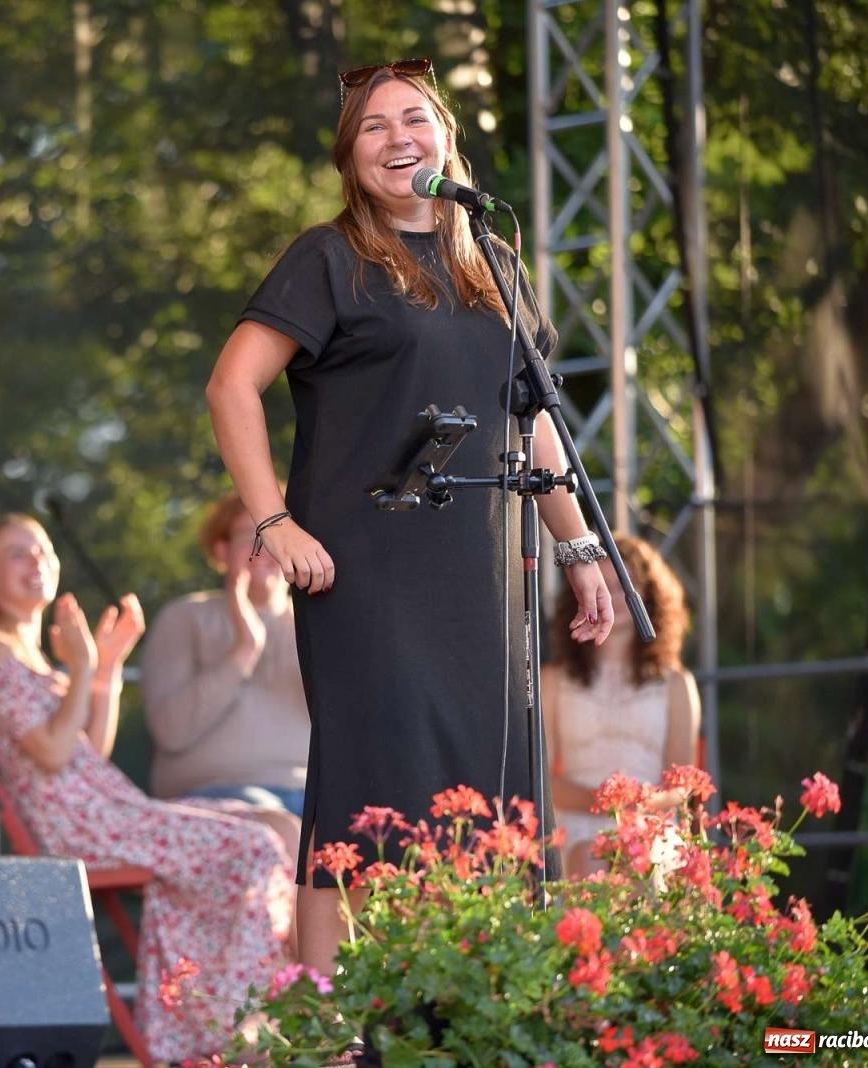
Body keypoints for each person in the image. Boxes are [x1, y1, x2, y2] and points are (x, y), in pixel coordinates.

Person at [204, 59, 616, 982]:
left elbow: (535, 421)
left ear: (445, 138)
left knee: (483, 794)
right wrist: (272, 523)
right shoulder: (329, 257)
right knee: (366, 795)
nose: (400, 139)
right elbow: (232, 386)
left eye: (416, 120)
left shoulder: (496, 267)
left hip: (478, 575)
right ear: (351, 158)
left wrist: (579, 546)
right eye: (376, 127)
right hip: (366, 570)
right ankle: (327, 1022)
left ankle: (461, 1007)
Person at [0, 515, 295, 1063]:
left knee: (279, 827)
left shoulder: (31, 656)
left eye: (41, 550)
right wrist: (84, 667)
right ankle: (236, 1033)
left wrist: (105, 669)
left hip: (109, 809)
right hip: (79, 825)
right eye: (17, 553)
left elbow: (89, 750)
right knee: (254, 846)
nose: (35, 560)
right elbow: (54, 755)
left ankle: (285, 1013)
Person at [141, 491, 309, 863]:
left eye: (277, 532)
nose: (264, 547)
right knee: (282, 835)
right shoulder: (185, 618)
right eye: (250, 534)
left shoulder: (320, 624)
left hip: (311, 800)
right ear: (220, 551)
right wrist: (244, 650)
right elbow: (171, 730)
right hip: (213, 800)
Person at [544, 534, 699, 878]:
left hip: (650, 826)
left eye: (625, 585)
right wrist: (606, 803)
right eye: (604, 585)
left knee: (636, 854)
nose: (615, 597)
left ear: (649, 595)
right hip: (576, 827)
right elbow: (542, 780)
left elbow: (682, 786)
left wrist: (637, 807)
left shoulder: (677, 684)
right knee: (593, 857)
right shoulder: (553, 680)